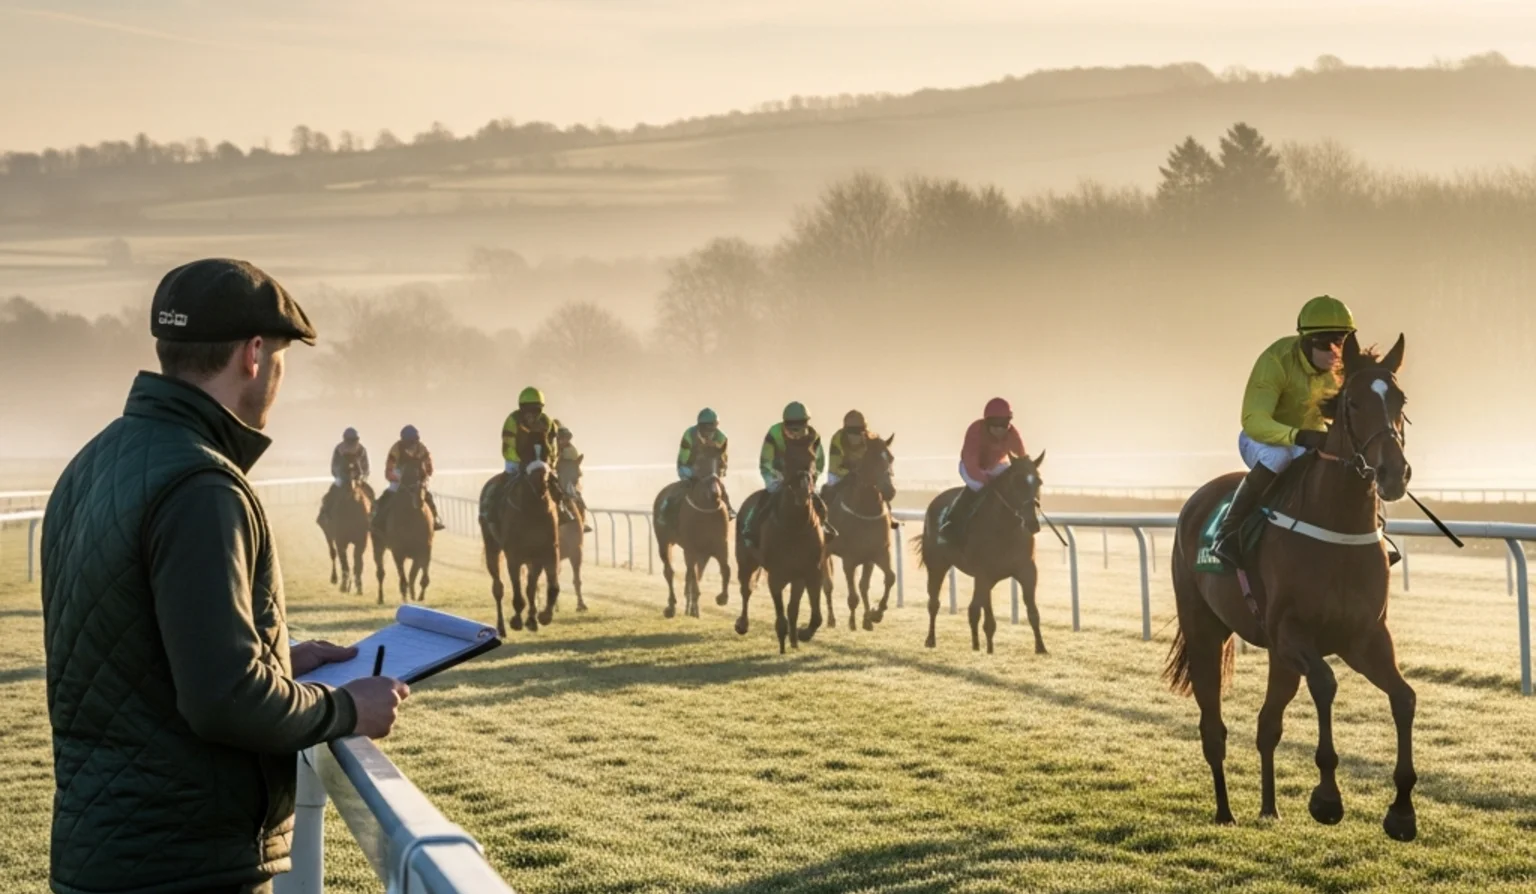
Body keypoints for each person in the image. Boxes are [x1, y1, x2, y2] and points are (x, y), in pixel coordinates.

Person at [40, 258, 408, 894]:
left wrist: (278, 659)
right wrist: (347, 707)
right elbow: (224, 700)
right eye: (283, 360)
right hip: (187, 866)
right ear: (255, 354)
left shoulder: (93, 462)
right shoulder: (203, 484)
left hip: (104, 857)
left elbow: (133, 653)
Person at [1211, 295, 1353, 565]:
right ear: (1305, 341)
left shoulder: (1342, 368)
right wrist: (1298, 435)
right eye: (1325, 343)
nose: (1334, 351)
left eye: (1341, 341)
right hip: (1261, 439)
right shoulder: (1276, 360)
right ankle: (1227, 532)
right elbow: (1253, 420)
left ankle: (1373, 536)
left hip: (1310, 441)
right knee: (1280, 457)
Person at [741, 401, 836, 548]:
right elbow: (766, 461)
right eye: (792, 424)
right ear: (785, 423)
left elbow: (819, 462)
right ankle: (750, 528)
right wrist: (775, 478)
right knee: (766, 498)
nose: (796, 429)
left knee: (819, 503)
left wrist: (812, 478)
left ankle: (824, 526)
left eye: (800, 424)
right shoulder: (774, 433)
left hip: (804, 477)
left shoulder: (813, 436)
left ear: (806, 423)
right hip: (778, 475)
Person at [937, 397, 1028, 548]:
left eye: (1004, 424)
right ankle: (951, 524)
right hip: (970, 467)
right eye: (995, 425)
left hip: (995, 465)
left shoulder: (1013, 434)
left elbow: (1021, 460)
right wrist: (986, 480)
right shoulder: (975, 430)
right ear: (986, 423)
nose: (1000, 429)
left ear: (1009, 422)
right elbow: (971, 462)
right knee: (981, 489)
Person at [492, 386, 583, 527]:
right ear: (521, 409)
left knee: (555, 483)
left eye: (535, 410)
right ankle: (493, 513)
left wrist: (549, 463)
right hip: (516, 460)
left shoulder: (548, 423)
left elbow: (553, 449)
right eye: (527, 410)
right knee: (503, 484)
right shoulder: (512, 420)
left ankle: (562, 510)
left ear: (541, 409)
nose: (531, 414)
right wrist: (523, 462)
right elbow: (508, 447)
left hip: (540, 460)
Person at [662, 407, 736, 526]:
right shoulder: (689, 435)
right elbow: (684, 458)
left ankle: (728, 508)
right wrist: (697, 468)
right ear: (700, 426)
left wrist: (718, 474)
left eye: (712, 427)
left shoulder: (721, 438)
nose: (709, 432)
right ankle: (669, 509)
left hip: (711, 468)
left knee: (719, 486)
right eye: (706, 428)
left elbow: (723, 461)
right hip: (688, 466)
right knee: (686, 485)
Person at [373, 425, 446, 531]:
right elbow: (389, 467)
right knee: (388, 495)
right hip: (399, 476)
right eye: (409, 441)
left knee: (428, 496)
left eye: (413, 441)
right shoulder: (396, 448)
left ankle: (434, 519)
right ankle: (378, 520)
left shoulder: (421, 447)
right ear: (403, 440)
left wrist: (426, 475)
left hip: (417, 477)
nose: (411, 444)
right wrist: (392, 476)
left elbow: (429, 464)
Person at [317, 426, 373, 526]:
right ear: (345, 440)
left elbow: (366, 467)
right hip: (342, 478)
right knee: (331, 493)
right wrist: (340, 476)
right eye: (350, 440)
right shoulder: (339, 449)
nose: (352, 443)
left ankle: (373, 515)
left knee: (370, 493)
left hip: (358, 478)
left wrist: (362, 477)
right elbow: (334, 466)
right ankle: (325, 514)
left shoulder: (361, 449)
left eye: (354, 440)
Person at [555, 425, 594, 531]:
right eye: (560, 439)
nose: (562, 441)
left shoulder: (570, 451)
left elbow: (569, 466)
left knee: (573, 495)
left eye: (564, 438)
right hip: (559, 476)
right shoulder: (556, 450)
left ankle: (581, 521)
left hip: (567, 477)